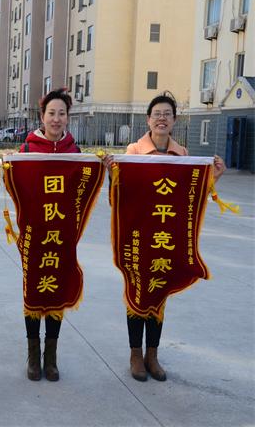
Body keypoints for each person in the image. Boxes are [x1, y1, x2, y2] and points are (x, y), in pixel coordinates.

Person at [108, 91, 225, 382]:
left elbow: (190, 198)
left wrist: (213, 177)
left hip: (165, 236)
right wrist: (112, 174)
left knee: (159, 293)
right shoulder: (134, 151)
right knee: (137, 293)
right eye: (157, 114)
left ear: (174, 121)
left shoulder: (182, 155)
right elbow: (120, 196)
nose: (162, 119)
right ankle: (135, 355)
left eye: (167, 114)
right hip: (138, 235)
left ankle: (152, 354)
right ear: (148, 119)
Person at [18, 88, 80, 382]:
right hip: (34, 233)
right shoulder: (27, 149)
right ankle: (33, 356)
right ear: (42, 116)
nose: (56, 119)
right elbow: (16, 185)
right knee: (33, 290)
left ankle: (51, 357)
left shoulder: (75, 151)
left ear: (68, 118)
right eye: (51, 113)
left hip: (61, 233)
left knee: (56, 290)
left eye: (62, 114)